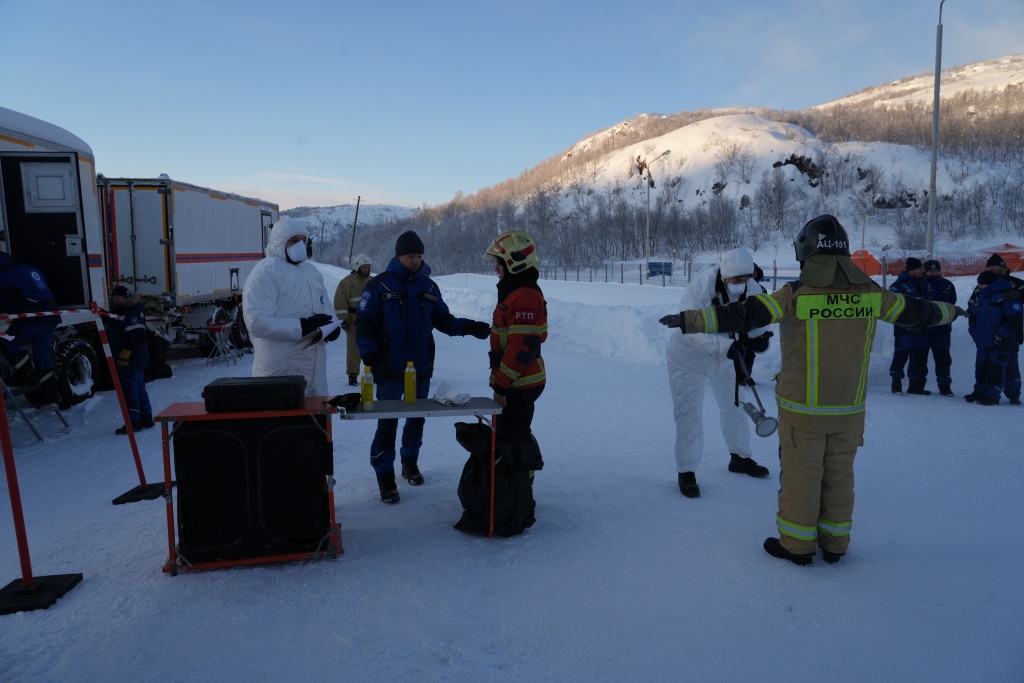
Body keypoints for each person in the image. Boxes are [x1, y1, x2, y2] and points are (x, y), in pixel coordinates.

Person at [660, 214, 962, 565]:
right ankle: (835, 544)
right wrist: (952, 311)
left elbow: (744, 316)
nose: (743, 282)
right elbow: (917, 312)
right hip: (848, 410)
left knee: (802, 476)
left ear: (805, 253)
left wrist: (695, 322)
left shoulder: (793, 294)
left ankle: (797, 545)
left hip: (803, 409)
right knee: (839, 476)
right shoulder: (872, 295)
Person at [356, 230, 491, 503]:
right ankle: (385, 476)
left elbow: (444, 320)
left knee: (417, 418)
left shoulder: (428, 288)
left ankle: (410, 463)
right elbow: (364, 323)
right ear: (398, 256)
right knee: (387, 423)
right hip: (389, 369)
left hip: (420, 369)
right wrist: (369, 354)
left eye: (419, 256)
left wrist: (470, 327)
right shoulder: (379, 287)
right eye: (410, 256)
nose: (416, 261)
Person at [665, 247, 772, 499]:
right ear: (724, 275)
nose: (741, 285)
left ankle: (740, 457)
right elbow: (690, 330)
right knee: (689, 414)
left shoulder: (752, 288)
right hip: (687, 359)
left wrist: (760, 337)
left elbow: (760, 317)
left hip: (723, 359)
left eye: (745, 279)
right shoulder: (700, 286)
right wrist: (728, 346)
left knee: (735, 405)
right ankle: (687, 472)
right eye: (736, 280)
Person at [242, 218, 340, 396]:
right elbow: (256, 322)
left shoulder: (311, 272)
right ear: (279, 242)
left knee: (315, 420)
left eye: (303, 241)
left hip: (315, 373)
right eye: (293, 241)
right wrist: (301, 327)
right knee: (285, 421)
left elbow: (325, 306)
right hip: (280, 372)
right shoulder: (265, 272)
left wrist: (331, 326)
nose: (300, 245)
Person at [485, 230, 547, 474]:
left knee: (516, 437)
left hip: (519, 383)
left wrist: (502, 384)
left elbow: (523, 346)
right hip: (514, 380)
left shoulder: (525, 295)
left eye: (498, 264)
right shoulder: (517, 291)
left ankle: (520, 489)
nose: (495, 269)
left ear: (513, 264)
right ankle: (514, 486)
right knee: (509, 435)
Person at [0, 251, 61, 403]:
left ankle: (28, 377)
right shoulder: (32, 269)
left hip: (30, 319)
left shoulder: (6, 274)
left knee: (7, 341)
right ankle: (51, 392)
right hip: (51, 316)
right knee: (42, 353)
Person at [965, 271, 1023, 406]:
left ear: (992, 284)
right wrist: (973, 331)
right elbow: (972, 314)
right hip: (982, 341)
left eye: (983, 283)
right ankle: (980, 391)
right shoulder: (980, 297)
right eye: (979, 283)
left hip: (1000, 341)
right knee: (981, 367)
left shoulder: (1006, 296)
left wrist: (1001, 334)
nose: (979, 286)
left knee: (995, 368)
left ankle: (993, 395)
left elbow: (1015, 319)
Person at [107, 286, 153, 434]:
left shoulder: (131, 312)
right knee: (139, 387)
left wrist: (126, 353)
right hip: (134, 357)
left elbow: (138, 335)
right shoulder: (122, 311)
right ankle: (146, 418)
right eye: (113, 297)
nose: (115, 300)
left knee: (129, 389)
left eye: (118, 297)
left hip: (131, 358)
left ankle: (133, 422)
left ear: (126, 298)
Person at [979, 254, 1024, 404]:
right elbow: (975, 302)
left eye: (994, 267)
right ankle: (984, 390)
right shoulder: (985, 282)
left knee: (1011, 363)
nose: (991, 270)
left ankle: (1013, 393)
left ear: (1003, 267)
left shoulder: (1016, 283)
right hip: (989, 333)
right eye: (989, 267)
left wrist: (1020, 294)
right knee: (989, 364)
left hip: (1012, 331)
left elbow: (1015, 315)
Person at [888, 257, 929, 394]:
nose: (922, 270)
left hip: (921, 328)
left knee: (918, 357)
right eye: (920, 268)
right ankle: (896, 383)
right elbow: (891, 303)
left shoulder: (923, 284)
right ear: (912, 270)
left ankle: (915, 386)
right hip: (904, 329)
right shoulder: (899, 285)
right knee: (900, 356)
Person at [334, 254, 373, 386]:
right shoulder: (347, 282)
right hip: (354, 320)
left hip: (371, 320)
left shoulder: (373, 282)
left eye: (368, 267)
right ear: (357, 267)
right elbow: (340, 302)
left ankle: (374, 372)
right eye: (364, 267)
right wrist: (344, 319)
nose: (366, 269)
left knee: (373, 346)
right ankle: (352, 375)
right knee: (353, 349)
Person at [919, 260, 957, 396]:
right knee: (921, 359)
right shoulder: (920, 284)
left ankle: (945, 386)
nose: (933, 273)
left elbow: (952, 304)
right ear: (925, 271)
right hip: (924, 329)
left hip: (942, 330)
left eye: (936, 271)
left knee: (944, 360)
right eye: (930, 271)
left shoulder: (948, 286)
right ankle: (919, 385)